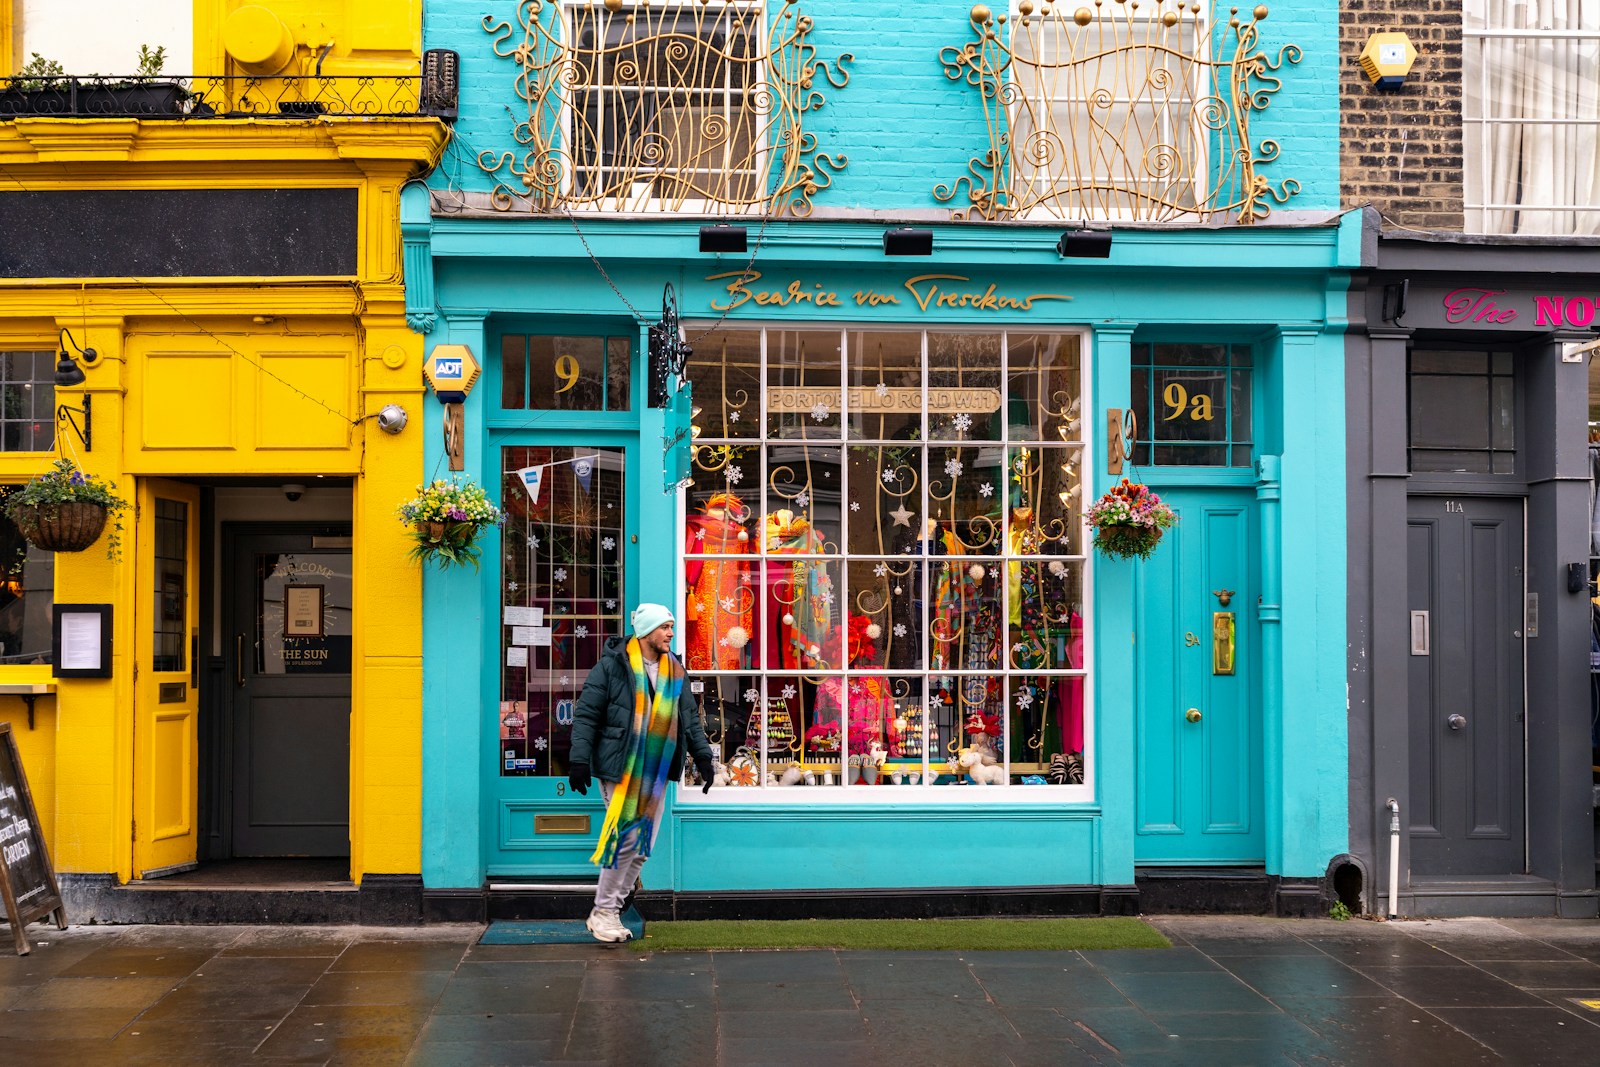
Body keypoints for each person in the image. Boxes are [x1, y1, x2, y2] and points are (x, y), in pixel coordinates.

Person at [568, 603, 716, 943]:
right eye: (665, 627)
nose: (671, 633)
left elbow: (689, 719)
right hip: (619, 768)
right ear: (647, 631)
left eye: (672, 627)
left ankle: (612, 911)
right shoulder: (611, 667)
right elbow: (587, 715)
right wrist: (579, 760)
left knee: (642, 849)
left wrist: (703, 758)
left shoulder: (675, 670)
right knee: (627, 841)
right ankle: (602, 911)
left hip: (657, 769)